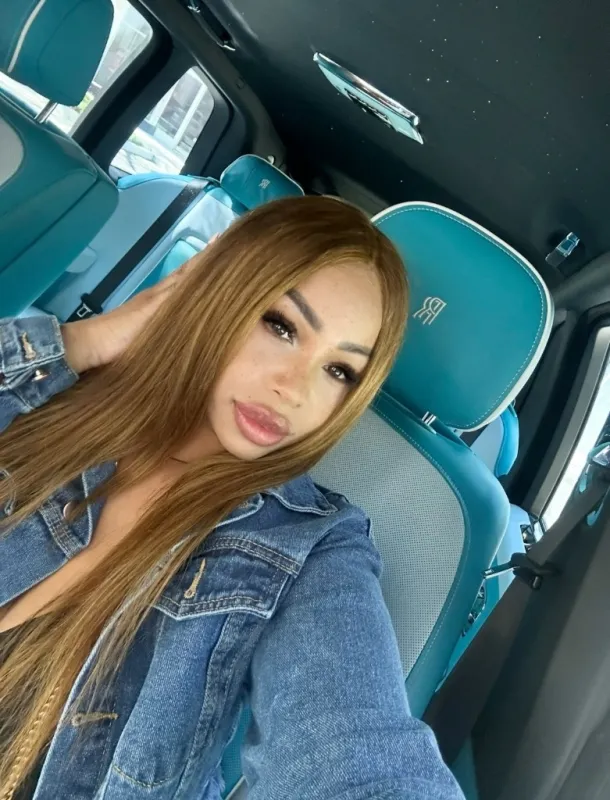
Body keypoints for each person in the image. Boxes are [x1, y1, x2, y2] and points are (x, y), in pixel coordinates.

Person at [0, 196, 464, 799]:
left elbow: (357, 760)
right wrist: (86, 341)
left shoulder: (309, 550)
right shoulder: (46, 400)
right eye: (281, 326)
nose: (294, 389)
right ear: (221, 296)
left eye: (339, 371)